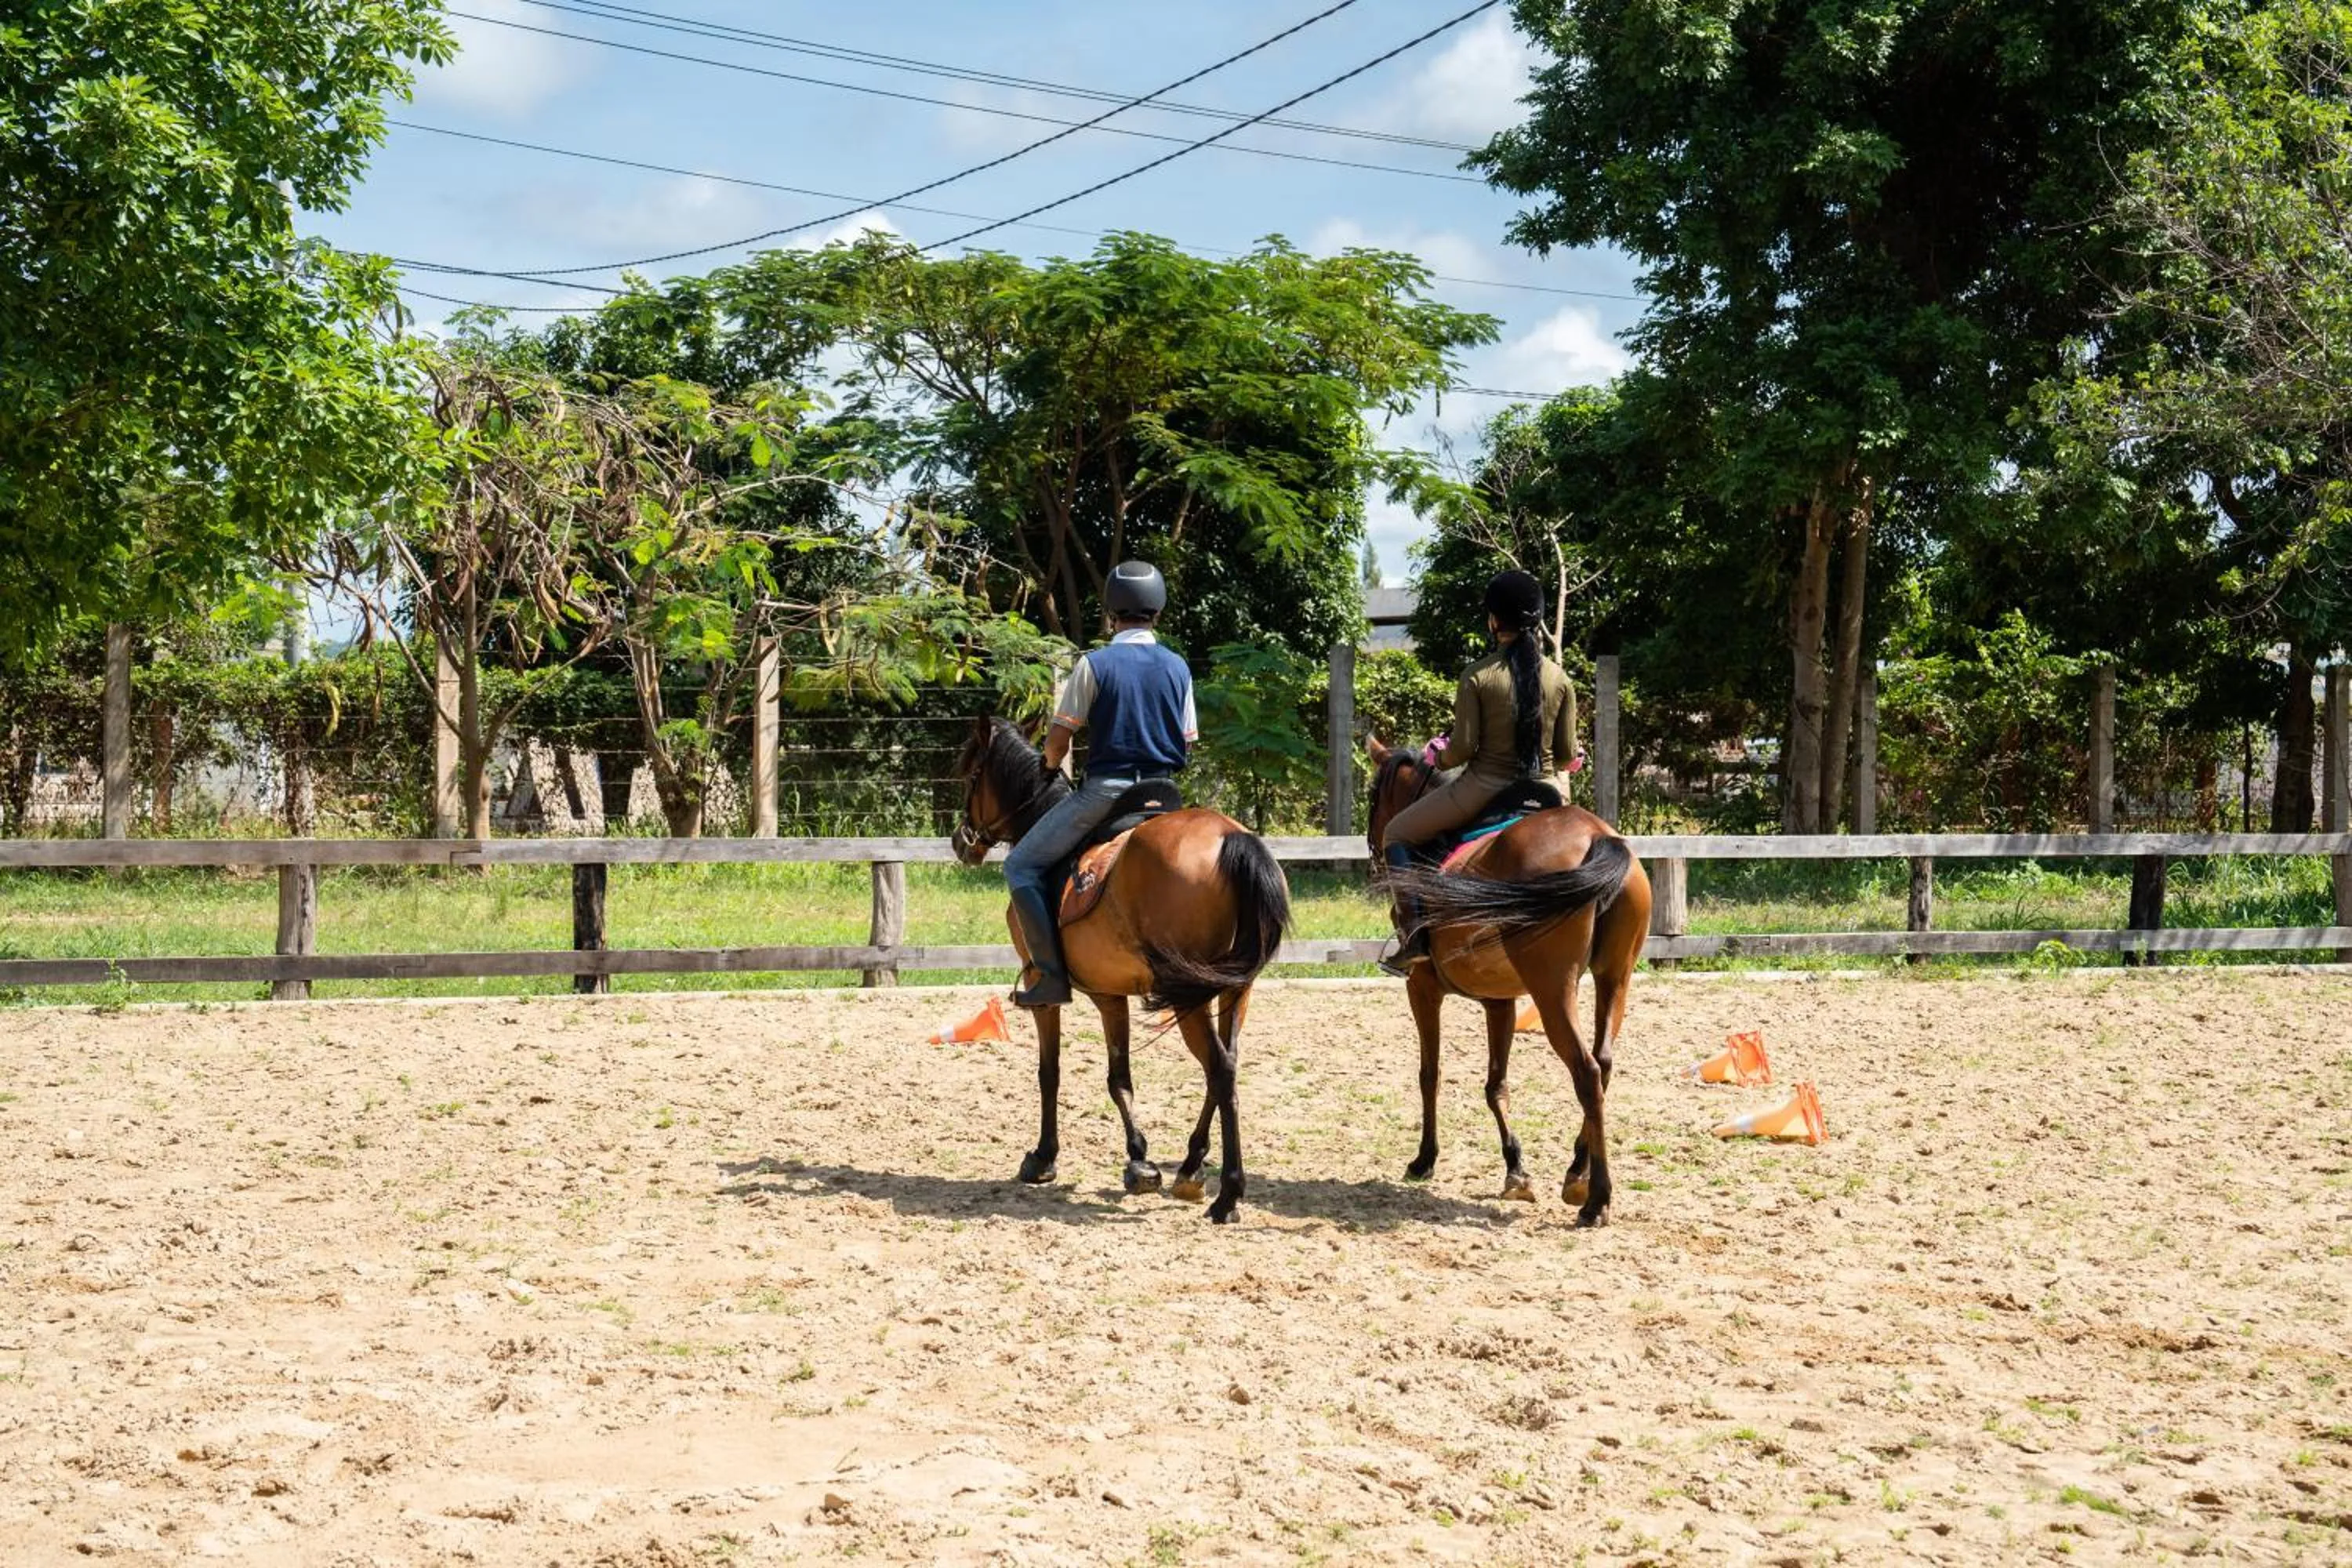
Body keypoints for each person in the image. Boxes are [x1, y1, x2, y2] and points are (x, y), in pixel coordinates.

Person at [1002, 560, 1198, 1007]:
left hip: (1108, 793)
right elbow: (1187, 745)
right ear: (1158, 613)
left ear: (1111, 614)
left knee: (1021, 867)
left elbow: (1057, 741)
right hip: (1164, 793)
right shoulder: (1179, 668)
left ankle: (1050, 976)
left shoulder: (1094, 665)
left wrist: (1051, 765)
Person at [1377, 568, 1581, 975]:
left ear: (1494, 620)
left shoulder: (1478, 676)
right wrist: (1573, 758)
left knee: (1395, 833)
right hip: (1544, 792)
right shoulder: (1560, 679)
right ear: (1537, 618)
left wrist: (1437, 755)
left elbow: (1463, 750)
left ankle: (1415, 938)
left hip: (1484, 787)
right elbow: (1564, 757)